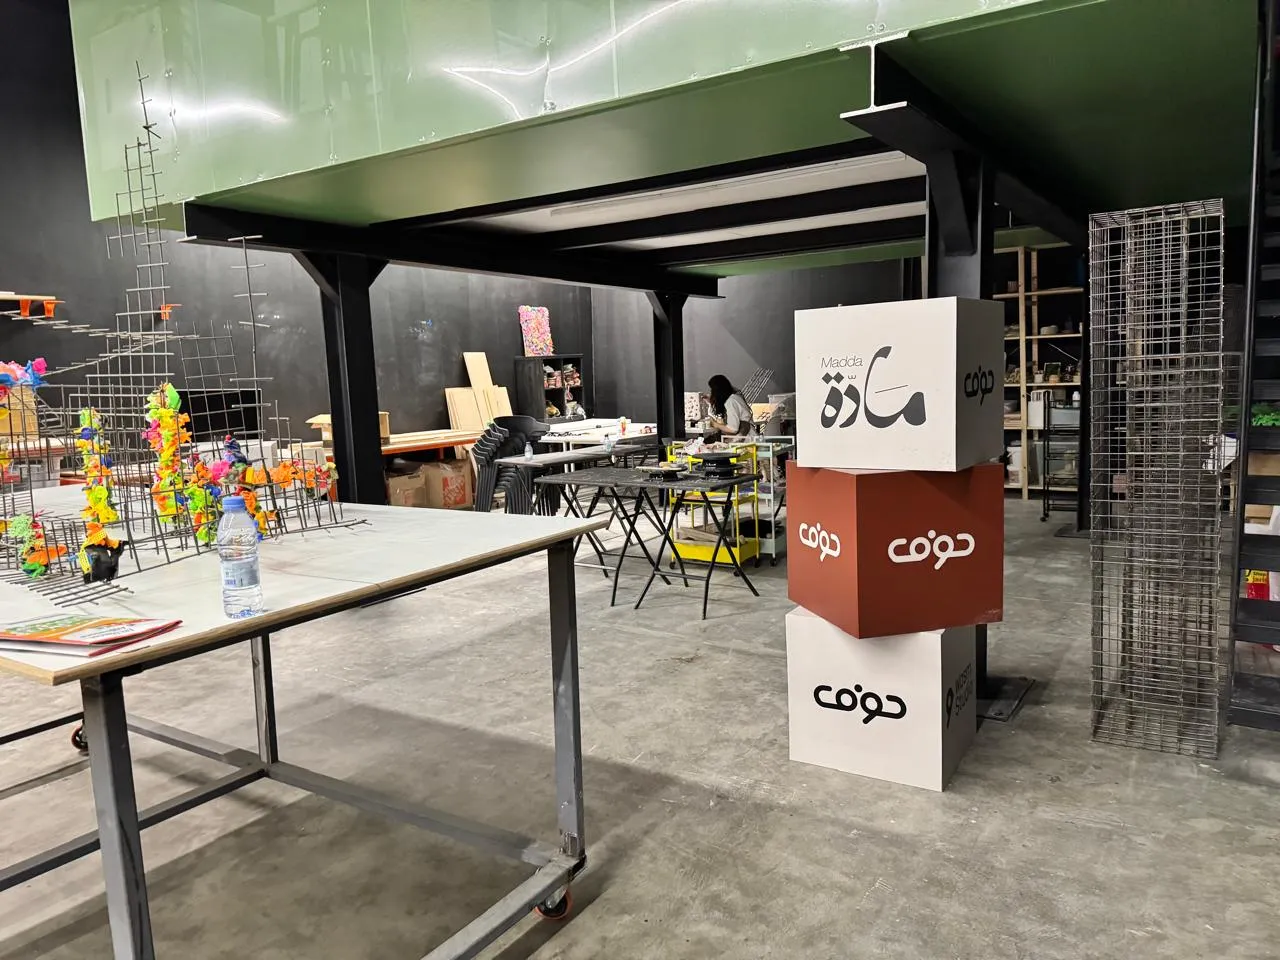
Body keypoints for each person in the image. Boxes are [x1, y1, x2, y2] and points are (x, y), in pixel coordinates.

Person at [705, 374, 757, 439]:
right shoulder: (734, 398)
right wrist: (710, 403)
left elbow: (733, 429)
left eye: (712, 390)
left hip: (746, 439)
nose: (711, 393)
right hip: (745, 437)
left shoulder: (730, 402)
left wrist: (715, 424)